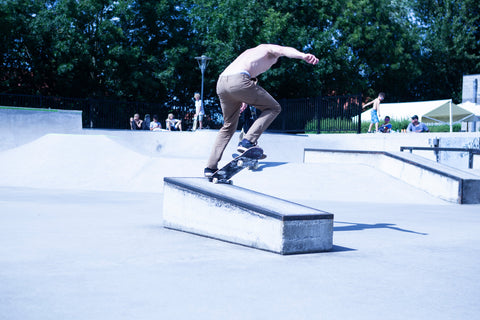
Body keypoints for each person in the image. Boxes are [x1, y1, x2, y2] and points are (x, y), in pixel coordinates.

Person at [204, 44, 319, 177]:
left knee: (228, 126)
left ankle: (210, 167)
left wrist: (242, 98)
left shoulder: (249, 51)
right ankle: (248, 141)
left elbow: (240, 78)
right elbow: (284, 50)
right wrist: (302, 56)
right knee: (274, 108)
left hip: (222, 83)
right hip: (239, 80)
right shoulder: (270, 50)